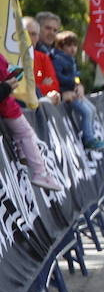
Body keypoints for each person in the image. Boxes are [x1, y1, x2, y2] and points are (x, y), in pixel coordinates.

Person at [35, 12, 103, 150]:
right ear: (38, 28)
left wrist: (78, 85)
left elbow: (66, 77)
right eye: (48, 28)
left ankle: (89, 137)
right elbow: (31, 87)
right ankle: (88, 138)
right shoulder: (31, 52)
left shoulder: (54, 53)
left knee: (90, 110)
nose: (52, 33)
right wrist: (60, 91)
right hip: (37, 118)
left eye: (55, 30)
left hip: (55, 112)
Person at [0, 53, 64, 191]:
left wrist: (12, 74)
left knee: (21, 135)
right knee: (26, 133)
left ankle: (23, 154)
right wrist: (8, 83)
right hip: (8, 108)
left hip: (8, 107)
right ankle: (40, 172)